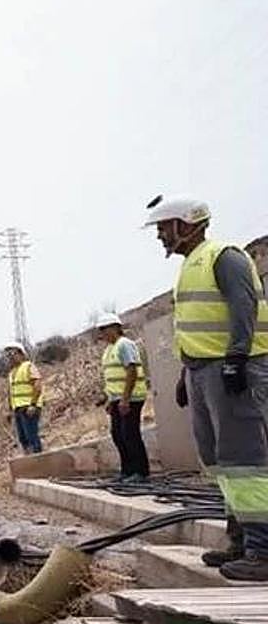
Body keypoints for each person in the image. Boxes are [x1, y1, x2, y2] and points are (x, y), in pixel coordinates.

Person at [145, 195, 268, 581]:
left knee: (244, 460)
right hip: (203, 371)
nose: (160, 236)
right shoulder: (190, 265)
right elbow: (197, 327)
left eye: (164, 227)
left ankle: (262, 550)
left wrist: (236, 357)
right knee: (218, 459)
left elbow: (244, 308)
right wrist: (187, 373)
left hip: (233, 368)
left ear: (185, 224)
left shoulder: (223, 257)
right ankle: (240, 539)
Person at [94, 312, 150, 482]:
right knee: (117, 434)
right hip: (117, 399)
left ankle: (140, 471)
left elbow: (131, 371)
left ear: (115, 328)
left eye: (104, 329)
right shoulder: (109, 349)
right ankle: (127, 470)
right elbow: (112, 377)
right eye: (101, 330)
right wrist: (110, 399)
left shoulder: (124, 345)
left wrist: (125, 399)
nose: (102, 333)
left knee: (130, 434)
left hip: (131, 397)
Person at [4, 342, 44, 454]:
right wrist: (10, 410)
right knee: (23, 439)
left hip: (28, 407)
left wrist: (33, 404)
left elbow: (37, 385)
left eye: (12, 353)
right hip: (18, 409)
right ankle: (29, 459)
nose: (10, 357)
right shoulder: (12, 373)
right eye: (8, 355)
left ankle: (39, 459)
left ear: (21, 354)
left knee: (32, 436)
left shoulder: (28, 366)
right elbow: (11, 392)